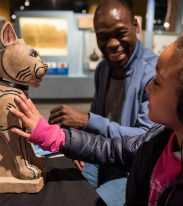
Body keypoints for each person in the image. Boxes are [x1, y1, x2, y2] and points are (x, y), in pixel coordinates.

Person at [10, 21, 183, 206]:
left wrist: (86, 122)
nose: (148, 88)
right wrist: (55, 136)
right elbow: (114, 150)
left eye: (157, 82)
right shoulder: (160, 139)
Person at [48, 1, 158, 204]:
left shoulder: (153, 73)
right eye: (103, 37)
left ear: (135, 26)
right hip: (101, 156)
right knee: (60, 188)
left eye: (120, 33)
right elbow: (96, 114)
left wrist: (87, 121)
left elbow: (146, 140)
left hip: (130, 169)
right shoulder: (103, 69)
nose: (112, 44)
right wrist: (81, 144)